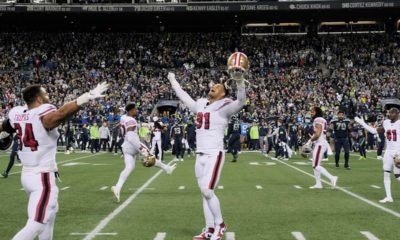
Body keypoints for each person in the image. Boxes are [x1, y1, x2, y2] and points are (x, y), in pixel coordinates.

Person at [0, 82, 108, 240]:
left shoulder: (17, 112)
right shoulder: (43, 111)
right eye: (45, 94)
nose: (48, 96)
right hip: (41, 176)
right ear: (38, 98)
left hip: (27, 176)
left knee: (50, 213)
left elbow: (5, 126)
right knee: (36, 223)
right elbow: (57, 116)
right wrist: (86, 97)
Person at [168, 51, 248, 240]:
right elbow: (184, 97)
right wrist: (173, 81)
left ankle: (220, 225)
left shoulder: (225, 106)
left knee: (207, 190)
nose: (214, 86)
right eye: (213, 85)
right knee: (204, 195)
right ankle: (209, 229)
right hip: (200, 154)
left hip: (214, 153)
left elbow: (241, 101)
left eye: (218, 86)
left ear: (223, 94)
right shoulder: (202, 104)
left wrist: (239, 81)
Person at [111, 103, 176, 203]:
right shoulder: (131, 120)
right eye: (135, 109)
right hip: (132, 144)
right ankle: (167, 169)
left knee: (129, 167)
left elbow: (122, 120)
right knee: (150, 157)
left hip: (125, 146)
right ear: (131, 111)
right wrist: (143, 149)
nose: (137, 110)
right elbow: (131, 137)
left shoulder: (124, 117)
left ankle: (117, 188)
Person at [355, 107, 400, 203]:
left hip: (398, 151)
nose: (389, 114)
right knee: (386, 172)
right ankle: (389, 197)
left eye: (392, 113)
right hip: (388, 151)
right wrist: (362, 123)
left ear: (397, 113)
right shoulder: (387, 122)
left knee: (397, 176)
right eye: (389, 112)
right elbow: (375, 131)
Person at [306, 106, 338, 189]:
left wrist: (310, 141)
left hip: (320, 144)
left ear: (317, 112)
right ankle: (318, 184)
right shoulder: (321, 119)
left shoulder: (318, 119)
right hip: (321, 143)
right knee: (315, 164)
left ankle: (332, 177)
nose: (311, 113)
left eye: (313, 111)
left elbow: (318, 134)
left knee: (315, 165)